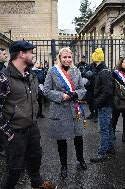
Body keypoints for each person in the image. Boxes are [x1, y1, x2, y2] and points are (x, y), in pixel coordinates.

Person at [0, 40, 55, 189]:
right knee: (15, 169)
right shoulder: (2, 78)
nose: (33, 55)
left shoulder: (31, 75)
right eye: (31, 52)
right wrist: (8, 133)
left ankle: (37, 184)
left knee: (35, 158)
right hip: (15, 131)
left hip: (32, 128)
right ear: (21, 54)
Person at [44, 47, 87, 179]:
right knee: (61, 140)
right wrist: (60, 96)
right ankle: (64, 165)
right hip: (59, 110)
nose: (67, 60)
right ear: (60, 58)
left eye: (69, 57)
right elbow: (46, 90)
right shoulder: (52, 71)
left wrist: (75, 94)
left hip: (74, 109)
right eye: (64, 57)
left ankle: (81, 159)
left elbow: (82, 89)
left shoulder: (76, 70)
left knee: (78, 137)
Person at [89, 48, 115, 162]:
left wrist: (97, 102)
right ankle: (110, 147)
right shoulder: (103, 71)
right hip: (105, 104)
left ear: (95, 58)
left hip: (104, 105)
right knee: (108, 127)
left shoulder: (103, 72)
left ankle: (102, 152)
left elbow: (107, 92)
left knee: (104, 129)